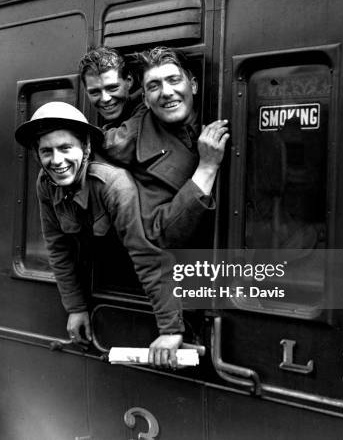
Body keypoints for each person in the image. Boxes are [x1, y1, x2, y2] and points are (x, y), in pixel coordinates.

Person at [15, 101, 184, 367]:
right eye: (46, 151)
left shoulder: (112, 184)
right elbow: (59, 249)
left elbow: (146, 255)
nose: (57, 160)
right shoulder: (45, 183)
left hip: (141, 282)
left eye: (65, 148)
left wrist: (170, 330)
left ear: (86, 148)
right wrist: (76, 307)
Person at [101, 46, 230, 248]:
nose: (167, 92)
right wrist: (206, 167)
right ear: (145, 99)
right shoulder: (135, 146)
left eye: (174, 80)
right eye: (154, 86)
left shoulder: (224, 112)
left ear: (193, 85)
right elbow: (159, 234)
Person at [78, 47, 145, 129]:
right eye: (94, 92)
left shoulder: (147, 112)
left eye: (112, 88)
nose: (105, 99)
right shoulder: (110, 127)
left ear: (129, 81)